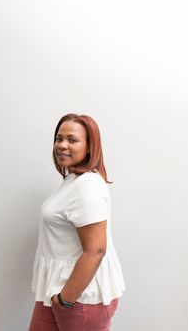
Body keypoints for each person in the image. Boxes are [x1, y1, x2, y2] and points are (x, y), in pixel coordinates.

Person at [28, 113, 125, 331]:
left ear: (90, 147)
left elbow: (96, 250)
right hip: (57, 289)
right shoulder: (74, 180)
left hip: (80, 296)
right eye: (59, 138)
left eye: (72, 140)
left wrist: (65, 299)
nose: (62, 145)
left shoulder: (87, 187)